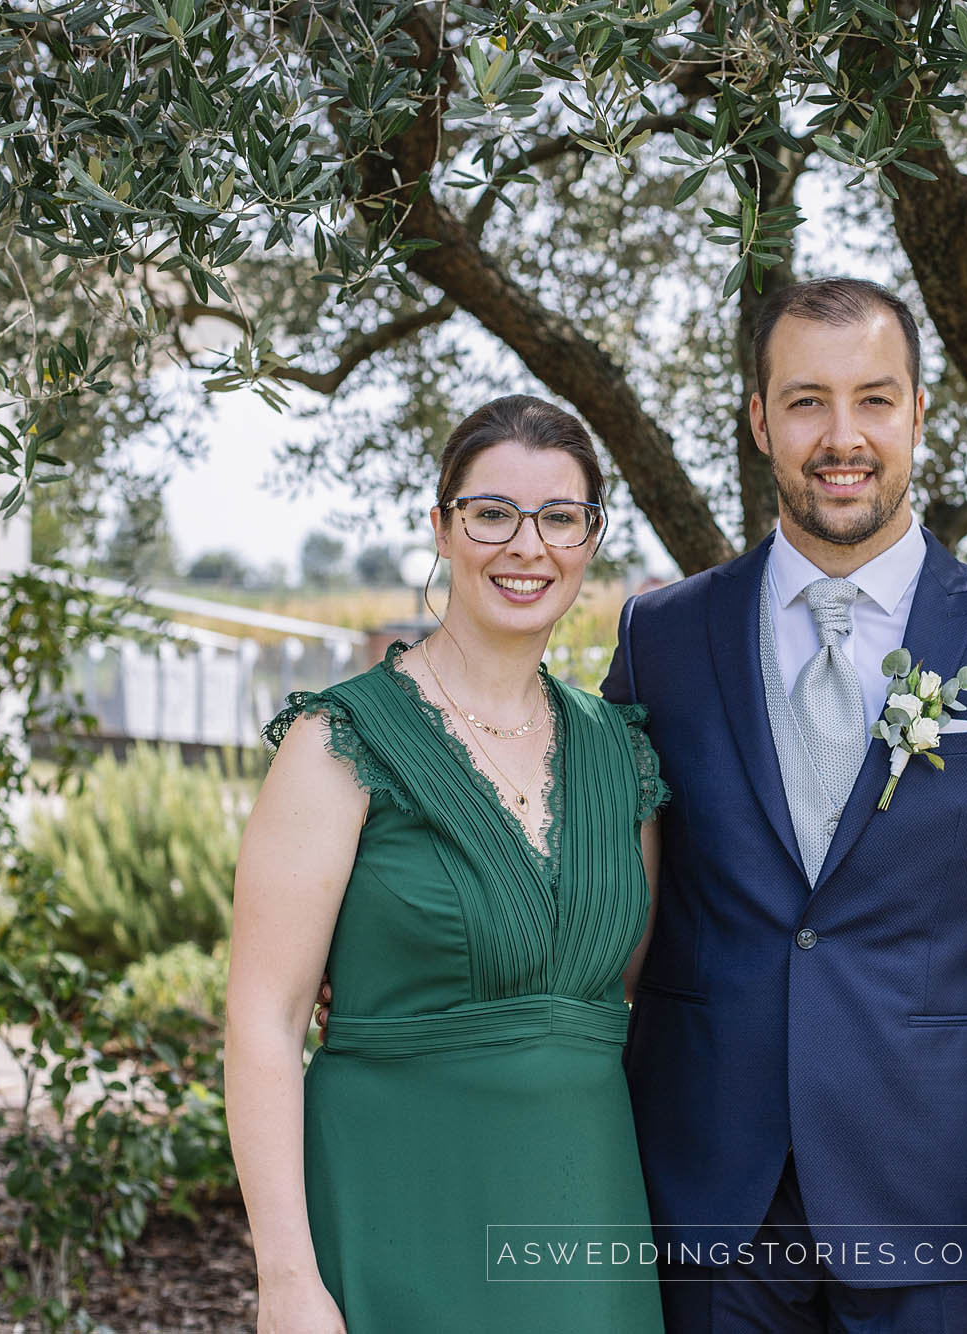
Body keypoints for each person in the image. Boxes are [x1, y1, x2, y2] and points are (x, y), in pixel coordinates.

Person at [602, 277, 967, 1334]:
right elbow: (594, 867)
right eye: (804, 401)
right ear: (758, 421)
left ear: (918, 413)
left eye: (873, 399)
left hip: (933, 1195)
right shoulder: (660, 636)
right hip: (709, 1193)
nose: (840, 436)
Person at [225, 395, 669, 1333]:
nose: (527, 545)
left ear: (591, 539)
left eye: (560, 517)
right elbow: (264, 1020)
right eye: (492, 513)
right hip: (394, 1211)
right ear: (442, 526)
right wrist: (288, 1279)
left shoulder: (619, 756)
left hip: (584, 1225)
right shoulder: (338, 739)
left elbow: (629, 992)